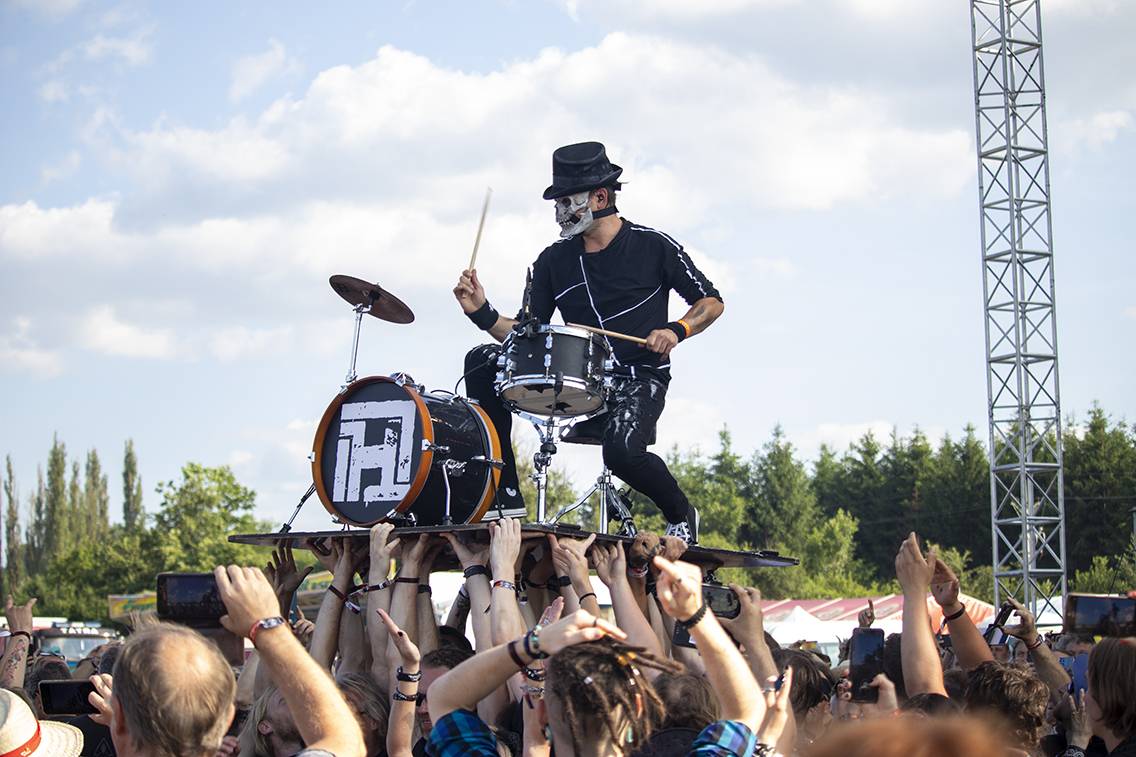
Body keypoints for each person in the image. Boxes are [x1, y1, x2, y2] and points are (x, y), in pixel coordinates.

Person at [454, 141, 724, 543]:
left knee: (621, 454)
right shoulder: (553, 260)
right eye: (556, 203)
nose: (559, 213)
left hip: (640, 376)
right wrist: (482, 312)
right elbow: (527, 337)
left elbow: (711, 302)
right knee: (481, 360)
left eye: (566, 202)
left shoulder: (653, 245)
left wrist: (676, 329)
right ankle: (503, 495)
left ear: (600, 197)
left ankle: (681, 513)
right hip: (584, 374)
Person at [87, 565, 366, 757]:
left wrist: (127, 727)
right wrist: (267, 627)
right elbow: (346, 740)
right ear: (226, 719)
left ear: (118, 717)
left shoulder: (120, 724)